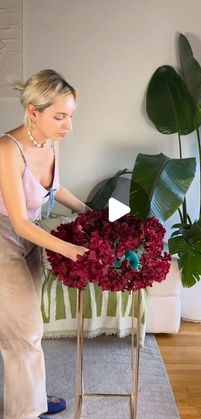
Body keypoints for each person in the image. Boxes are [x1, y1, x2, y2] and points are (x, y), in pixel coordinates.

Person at [0, 69, 89, 419]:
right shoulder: (7, 148)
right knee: (25, 330)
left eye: (71, 116)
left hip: (32, 236)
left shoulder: (51, 141)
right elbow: (18, 220)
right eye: (60, 116)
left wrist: (87, 211)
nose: (68, 125)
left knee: (25, 324)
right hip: (5, 235)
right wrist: (68, 249)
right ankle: (23, 412)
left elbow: (53, 187)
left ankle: (30, 396)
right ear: (33, 113)